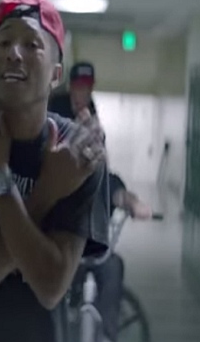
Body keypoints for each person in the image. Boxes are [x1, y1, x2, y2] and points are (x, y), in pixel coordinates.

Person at [0, 0, 111, 342]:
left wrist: (0, 179)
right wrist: (44, 191)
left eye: (32, 45)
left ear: (56, 74)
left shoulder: (79, 154)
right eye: (3, 43)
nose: (14, 53)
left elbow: (50, 286)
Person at [49, 61, 151, 341]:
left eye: (87, 87)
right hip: (56, 237)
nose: (83, 91)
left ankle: (106, 333)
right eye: (78, 86)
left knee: (112, 266)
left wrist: (126, 198)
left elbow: (103, 176)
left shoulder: (89, 115)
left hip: (87, 240)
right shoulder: (55, 115)